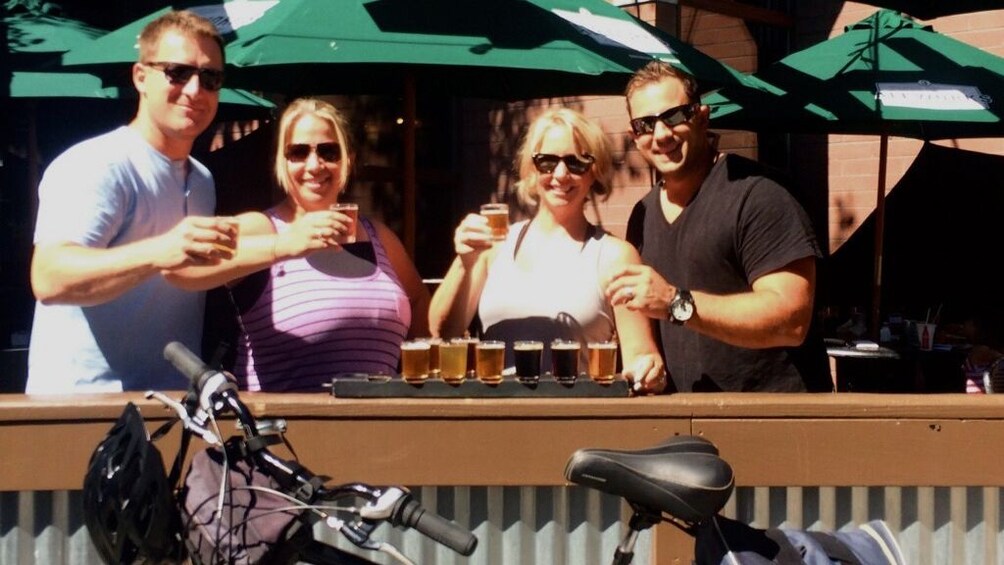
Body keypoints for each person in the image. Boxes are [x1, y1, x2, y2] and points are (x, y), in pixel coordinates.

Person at [26, 11, 239, 393]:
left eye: (210, 78)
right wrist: (161, 250)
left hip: (170, 408)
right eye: (177, 72)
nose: (195, 90)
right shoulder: (98, 164)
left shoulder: (203, 180)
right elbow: (50, 278)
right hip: (83, 411)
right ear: (140, 76)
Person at [166, 98, 430, 392]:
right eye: (299, 152)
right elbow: (183, 267)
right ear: (281, 162)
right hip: (289, 429)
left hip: (382, 428)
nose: (314, 165)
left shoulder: (378, 236)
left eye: (329, 151)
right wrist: (287, 244)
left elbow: (419, 302)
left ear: (349, 160)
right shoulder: (262, 228)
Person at [605, 60, 831, 392]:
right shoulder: (642, 214)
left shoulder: (760, 194)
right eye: (646, 124)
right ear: (633, 136)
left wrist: (674, 303)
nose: (662, 134)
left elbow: (791, 319)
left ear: (701, 116)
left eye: (674, 116)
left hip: (773, 424)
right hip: (685, 429)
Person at [429, 108, 666, 394]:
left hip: (573, 420)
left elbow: (640, 356)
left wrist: (648, 370)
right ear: (531, 169)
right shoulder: (493, 246)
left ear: (595, 172)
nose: (561, 174)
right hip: (494, 416)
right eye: (547, 162)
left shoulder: (614, 256)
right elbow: (443, 333)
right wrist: (465, 263)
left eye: (576, 163)